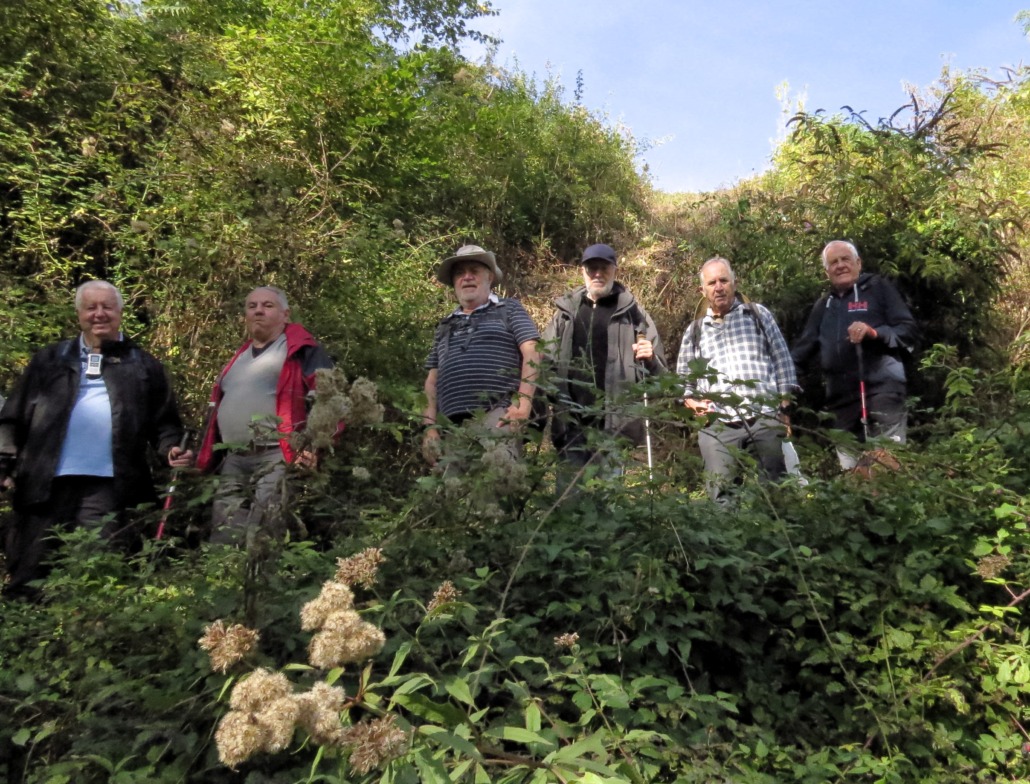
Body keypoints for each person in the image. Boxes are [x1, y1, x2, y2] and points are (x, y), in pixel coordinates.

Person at [0, 281, 190, 597]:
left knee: (103, 571)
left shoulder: (143, 365)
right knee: (30, 570)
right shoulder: (50, 360)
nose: (99, 314)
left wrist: (170, 448)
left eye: (107, 307)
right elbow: (14, 416)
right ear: (78, 314)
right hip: (44, 482)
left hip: (110, 485)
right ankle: (26, 624)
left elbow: (165, 422)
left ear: (120, 313)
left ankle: (93, 626)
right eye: (91, 308)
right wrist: (4, 463)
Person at [195, 286, 334, 545]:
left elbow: (328, 398)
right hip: (234, 457)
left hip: (277, 454)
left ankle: (262, 571)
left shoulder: (301, 349)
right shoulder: (239, 358)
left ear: (285, 314)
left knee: (265, 530)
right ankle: (225, 570)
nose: (258, 311)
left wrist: (314, 445)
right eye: (252, 306)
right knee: (225, 530)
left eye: (268, 305)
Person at [541, 243, 666, 482]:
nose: (597, 274)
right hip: (571, 427)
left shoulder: (634, 315)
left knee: (609, 499)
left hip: (614, 428)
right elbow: (545, 364)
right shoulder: (566, 313)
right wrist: (552, 399)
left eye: (604, 268)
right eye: (592, 268)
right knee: (569, 498)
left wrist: (650, 358)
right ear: (583, 271)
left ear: (615, 270)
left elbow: (661, 378)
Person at [676, 258, 798, 502]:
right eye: (712, 283)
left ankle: (778, 526)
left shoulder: (757, 315)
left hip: (764, 416)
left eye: (724, 280)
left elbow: (782, 361)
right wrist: (693, 404)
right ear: (702, 290)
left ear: (734, 283)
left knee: (776, 491)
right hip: (717, 426)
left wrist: (784, 408)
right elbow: (683, 383)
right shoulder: (695, 331)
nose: (718, 287)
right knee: (721, 496)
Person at [791, 240, 918, 469]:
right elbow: (803, 350)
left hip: (883, 391)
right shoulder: (824, 305)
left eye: (845, 259)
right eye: (833, 262)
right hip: (841, 400)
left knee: (886, 464)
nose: (840, 265)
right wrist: (781, 382)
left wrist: (874, 332)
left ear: (858, 263)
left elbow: (907, 330)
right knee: (850, 471)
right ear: (826, 272)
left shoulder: (878, 289)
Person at [421, 245, 540, 469]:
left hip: (498, 415)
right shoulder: (445, 325)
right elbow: (431, 381)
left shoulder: (509, 309)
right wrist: (429, 428)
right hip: (451, 427)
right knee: (455, 489)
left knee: (498, 483)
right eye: (460, 273)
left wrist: (524, 404)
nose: (467, 277)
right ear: (454, 283)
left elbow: (532, 350)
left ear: (490, 277)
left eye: (474, 271)